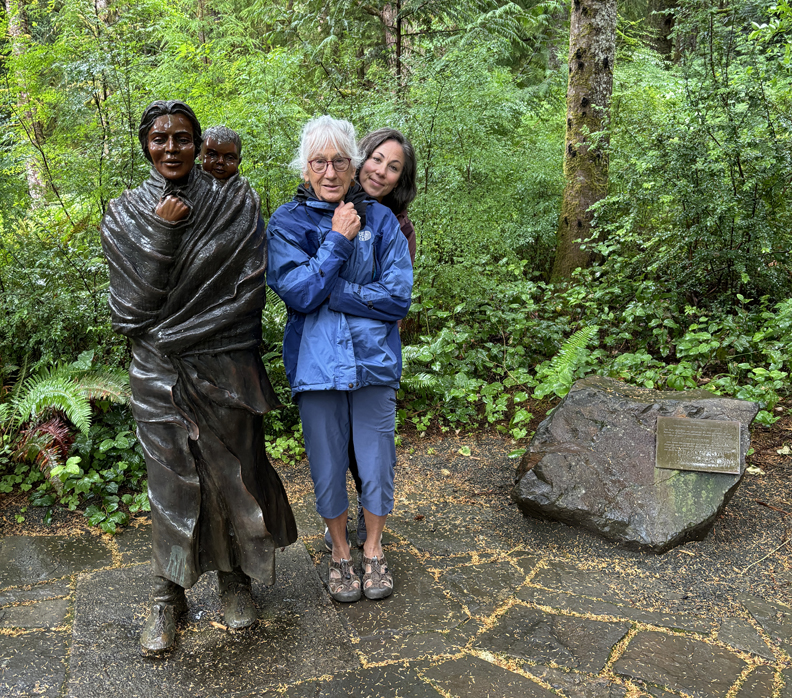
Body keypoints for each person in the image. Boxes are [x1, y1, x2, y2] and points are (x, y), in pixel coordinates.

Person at [101, 100, 297, 654]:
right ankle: (167, 594)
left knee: (232, 475)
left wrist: (183, 332)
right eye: (160, 139)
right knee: (170, 484)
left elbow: (248, 293)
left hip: (224, 365)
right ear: (145, 144)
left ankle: (236, 579)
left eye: (182, 138)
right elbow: (130, 311)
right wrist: (162, 235)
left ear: (198, 143)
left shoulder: (236, 202)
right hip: (157, 370)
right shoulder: (124, 213)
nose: (171, 148)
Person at [266, 115, 413, 602]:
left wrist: (334, 292)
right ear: (304, 167)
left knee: (377, 462)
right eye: (319, 162)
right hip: (316, 365)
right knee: (327, 466)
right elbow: (297, 292)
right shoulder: (286, 223)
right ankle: (340, 553)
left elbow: (398, 297)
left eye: (339, 161)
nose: (329, 172)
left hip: (374, 363)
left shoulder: (382, 220)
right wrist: (336, 241)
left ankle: (373, 549)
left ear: (353, 165)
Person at [324, 127, 418, 550]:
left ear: (401, 179)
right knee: (337, 442)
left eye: (393, 167)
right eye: (377, 159)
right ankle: (340, 522)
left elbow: (395, 299)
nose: (381, 171)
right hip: (328, 348)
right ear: (360, 158)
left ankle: (370, 512)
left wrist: (335, 293)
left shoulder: (399, 227)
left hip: (375, 347)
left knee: (373, 444)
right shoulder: (326, 206)